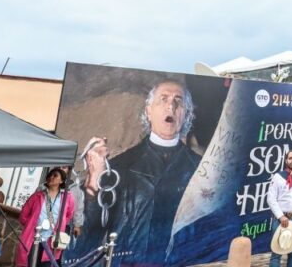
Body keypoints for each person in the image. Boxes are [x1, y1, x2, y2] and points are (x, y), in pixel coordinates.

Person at [78, 79, 201, 265]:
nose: (171, 106)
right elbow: (94, 228)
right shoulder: (120, 166)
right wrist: (95, 177)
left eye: (178, 100)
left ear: (187, 114)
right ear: (148, 112)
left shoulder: (202, 169)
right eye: (163, 99)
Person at [16, 169, 75, 267]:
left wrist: (59, 226)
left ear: (61, 181)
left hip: (51, 240)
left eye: (55, 175)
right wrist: (31, 226)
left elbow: (69, 215)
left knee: (46, 264)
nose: (51, 177)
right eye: (50, 175)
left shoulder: (67, 198)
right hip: (33, 238)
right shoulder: (37, 196)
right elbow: (23, 216)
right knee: (28, 263)